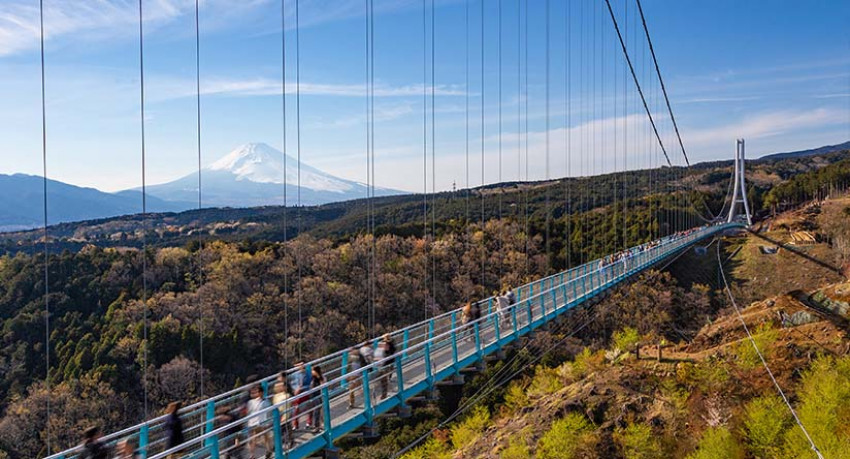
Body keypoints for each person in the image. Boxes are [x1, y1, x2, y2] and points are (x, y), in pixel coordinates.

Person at [247, 385, 272, 457]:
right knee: (253, 439)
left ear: (261, 393)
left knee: (265, 437)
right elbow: (249, 412)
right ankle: (252, 455)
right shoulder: (251, 402)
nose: (256, 393)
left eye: (258, 392)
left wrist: (269, 421)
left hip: (263, 422)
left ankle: (268, 450)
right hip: (254, 423)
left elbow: (269, 411)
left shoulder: (266, 401)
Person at [272, 381, 293, 449]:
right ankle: (280, 444)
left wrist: (285, 416)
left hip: (285, 414)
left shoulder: (287, 395)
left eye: (281, 386)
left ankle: (288, 442)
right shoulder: (275, 396)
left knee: (285, 429)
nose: (279, 388)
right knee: (280, 431)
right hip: (278, 415)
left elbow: (287, 406)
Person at [291, 362, 311, 430]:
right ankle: (295, 425)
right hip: (297, 394)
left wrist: (300, 389)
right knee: (296, 409)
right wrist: (295, 390)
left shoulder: (307, 373)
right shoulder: (294, 374)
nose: (300, 367)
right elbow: (293, 383)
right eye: (298, 365)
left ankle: (309, 423)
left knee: (308, 407)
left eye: (301, 365)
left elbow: (309, 384)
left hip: (305, 392)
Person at [309, 365, 326, 432]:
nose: (311, 372)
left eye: (313, 370)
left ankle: (317, 426)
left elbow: (323, 385)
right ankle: (318, 425)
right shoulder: (313, 378)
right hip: (313, 396)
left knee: (317, 411)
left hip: (318, 396)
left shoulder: (320, 378)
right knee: (316, 411)